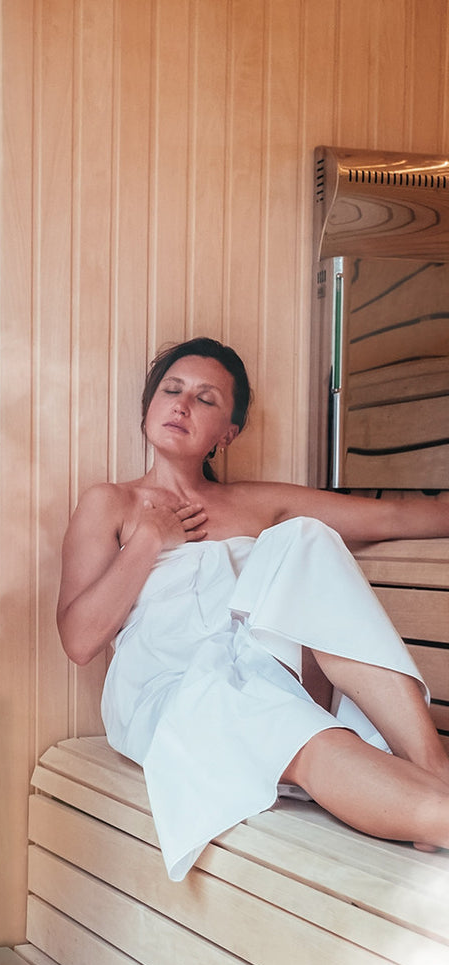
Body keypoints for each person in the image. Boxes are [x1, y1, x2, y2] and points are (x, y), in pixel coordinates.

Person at [57, 335, 449, 878]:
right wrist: (149, 540)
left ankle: (432, 766)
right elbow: (78, 641)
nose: (182, 404)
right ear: (149, 405)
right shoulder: (111, 504)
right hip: (172, 688)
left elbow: (396, 520)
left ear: (228, 432)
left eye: (206, 399)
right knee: (279, 719)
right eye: (171, 390)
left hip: (266, 667)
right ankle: (431, 807)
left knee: (305, 537)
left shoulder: (259, 502)